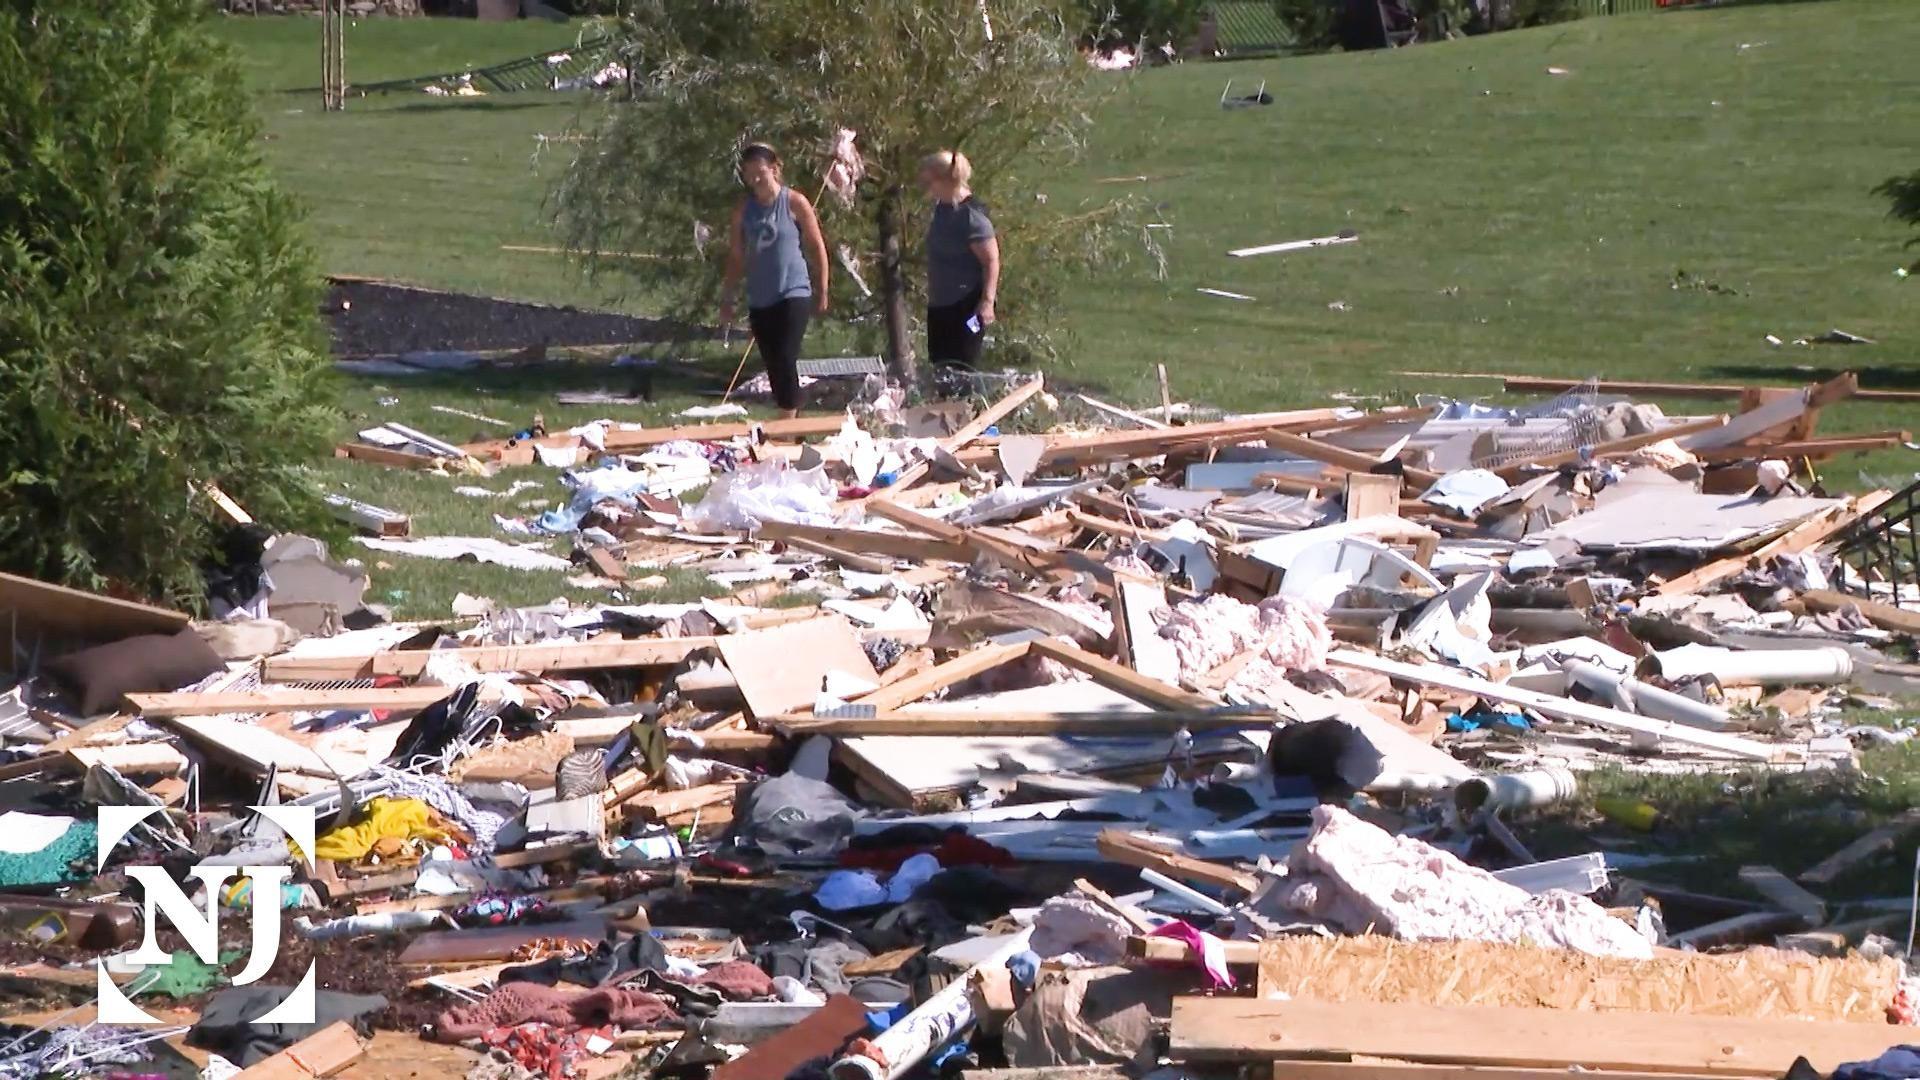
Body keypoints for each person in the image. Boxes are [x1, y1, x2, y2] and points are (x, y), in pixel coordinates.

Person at [719, 144, 830, 418]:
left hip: (793, 291)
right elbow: (736, 256)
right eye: (749, 174)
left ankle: (786, 425)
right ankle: (793, 426)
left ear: (774, 169)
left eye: (760, 172)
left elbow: (816, 246)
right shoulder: (743, 211)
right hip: (760, 297)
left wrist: (823, 288)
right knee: (773, 364)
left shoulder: (794, 202)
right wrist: (728, 297)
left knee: (785, 356)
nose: (755, 179)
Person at [919, 149, 1000, 370]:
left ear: (944, 180)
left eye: (930, 179)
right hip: (940, 305)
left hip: (967, 307)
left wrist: (987, 302)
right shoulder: (941, 209)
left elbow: (991, 261)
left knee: (963, 364)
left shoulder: (972, 218)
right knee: (940, 364)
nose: (927, 185)